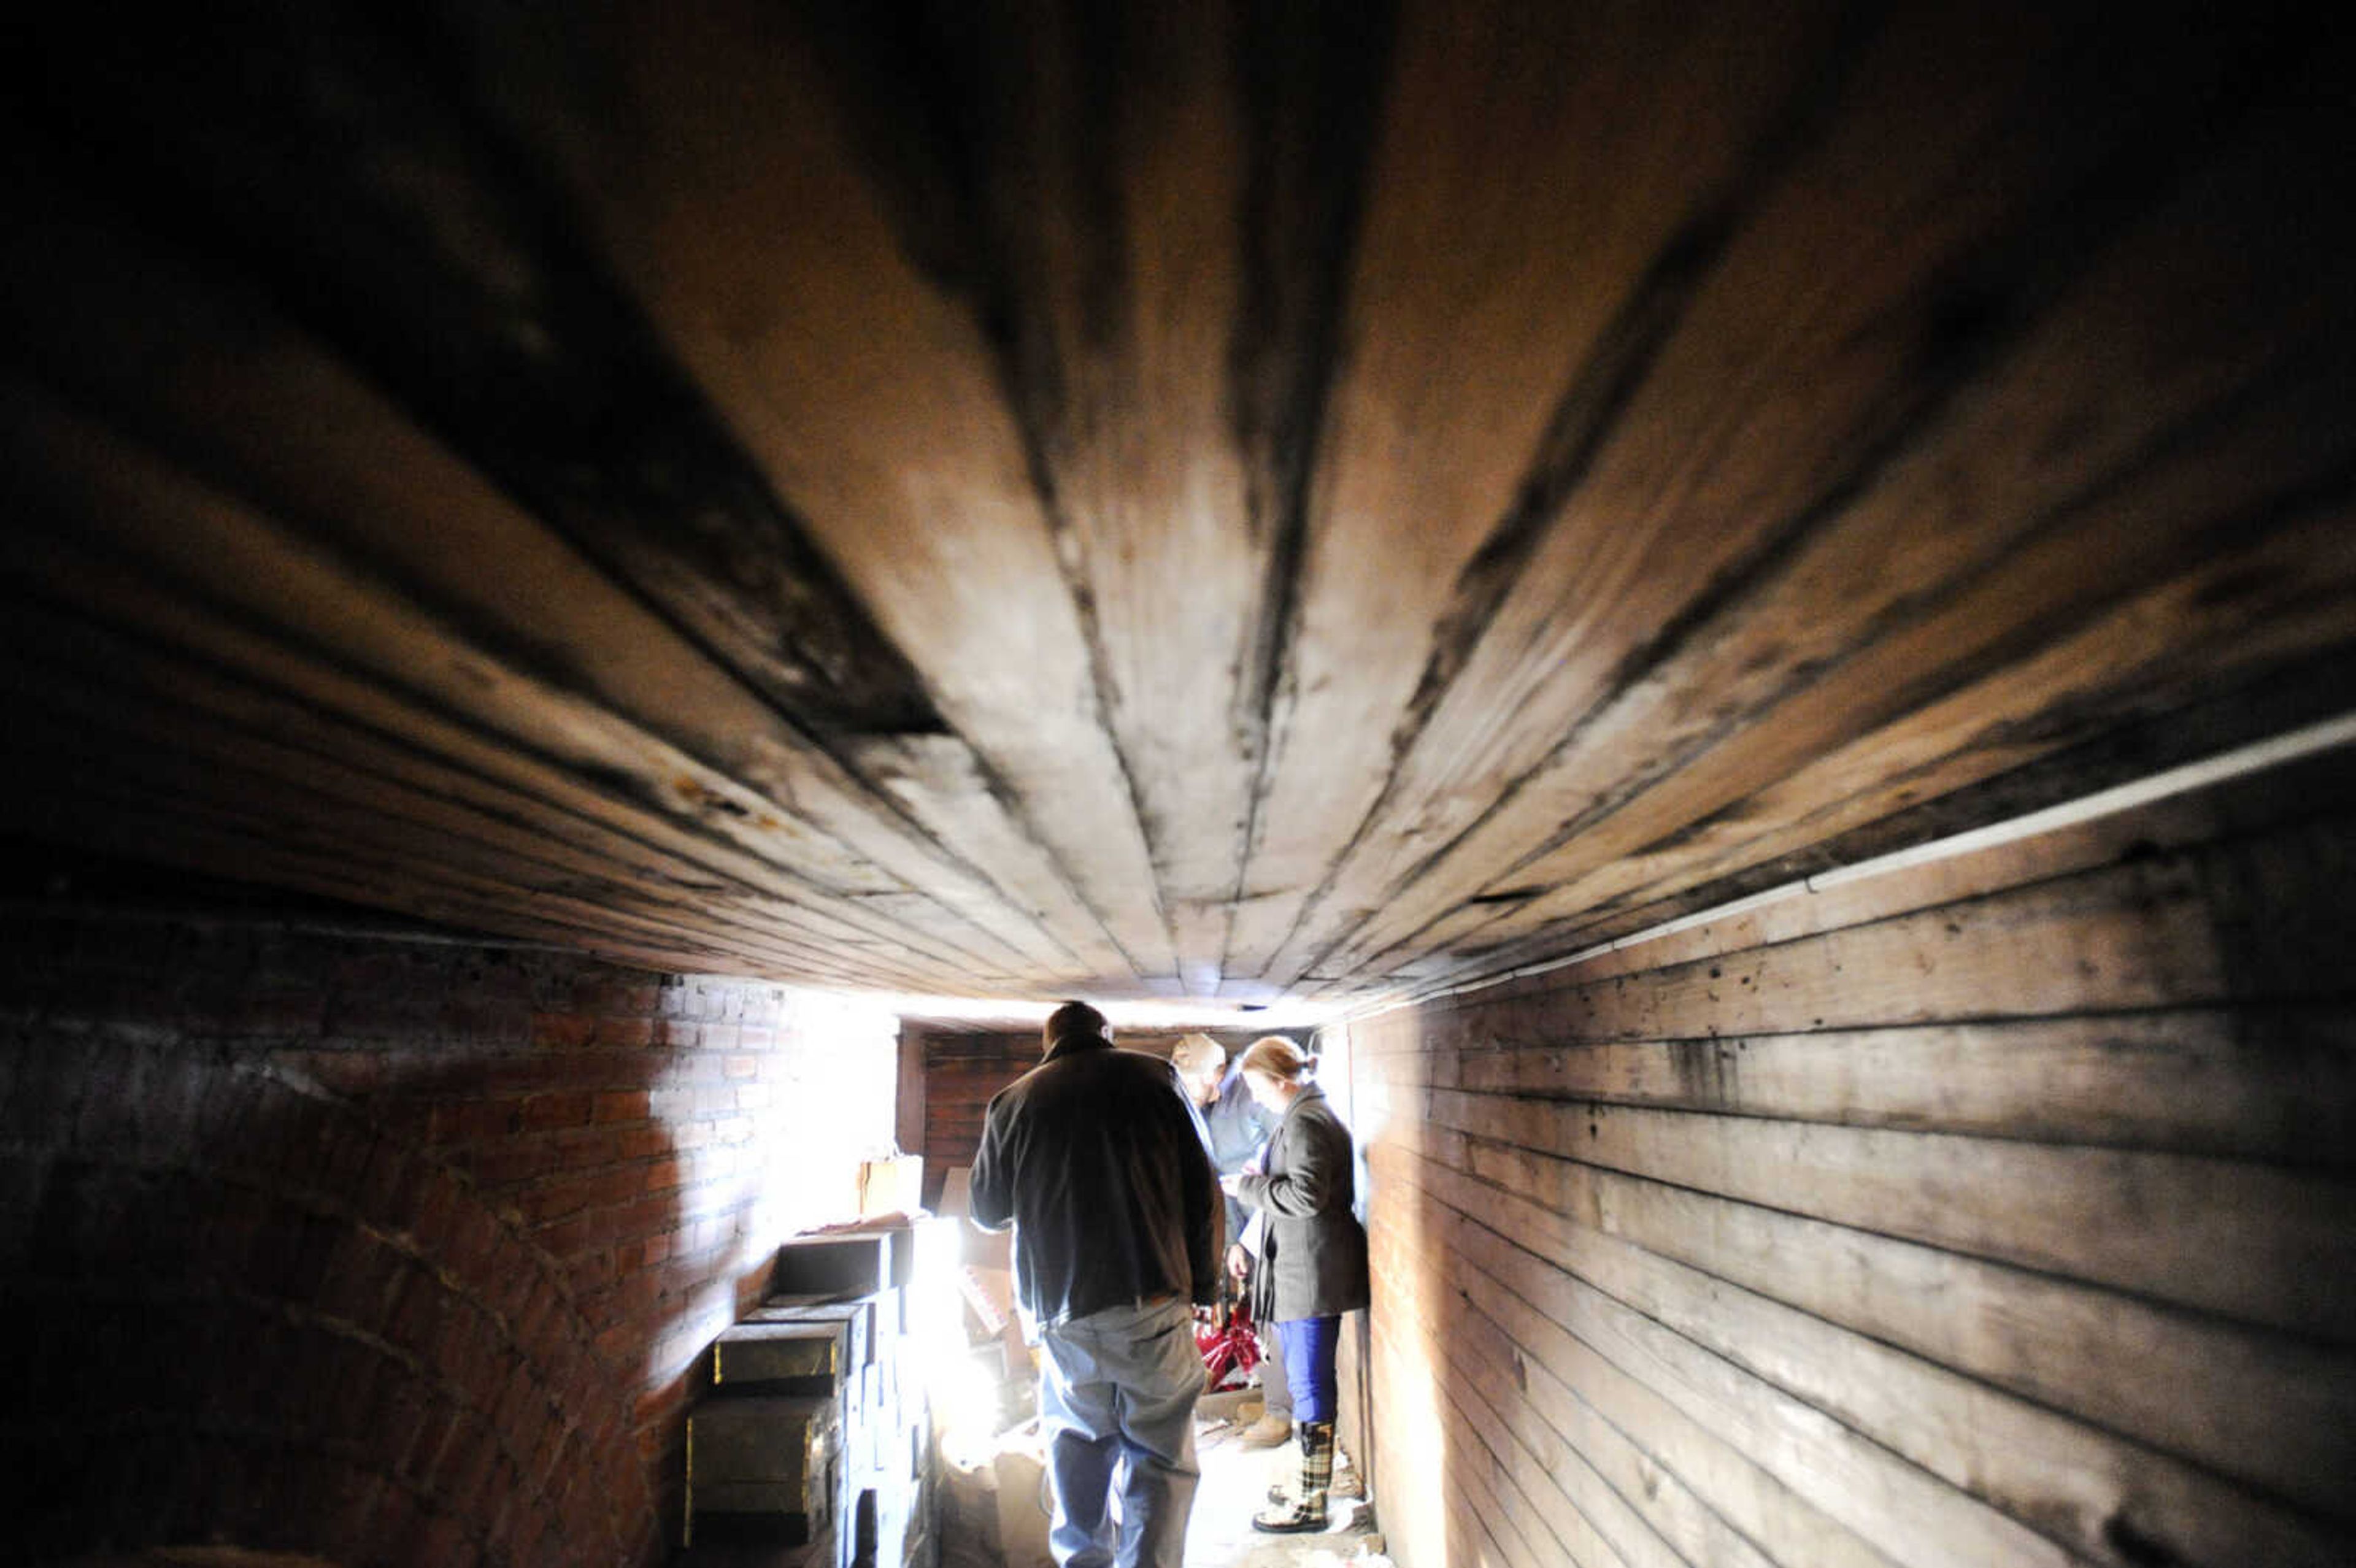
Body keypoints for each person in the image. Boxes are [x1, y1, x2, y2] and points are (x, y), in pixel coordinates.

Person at [969, 1002, 1222, 1568]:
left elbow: (986, 1211)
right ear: (1106, 1035)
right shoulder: (1158, 1079)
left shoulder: (1013, 1101)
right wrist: (1206, 1288)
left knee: (1078, 1449)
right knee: (1159, 1459)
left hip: (1064, 1309)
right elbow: (1203, 1190)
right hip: (1153, 1295)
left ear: (1048, 1042)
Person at [1222, 1036, 1370, 1534]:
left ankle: (1313, 1505)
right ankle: (1312, 1489)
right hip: (1304, 1268)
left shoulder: (1306, 1120)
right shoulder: (1305, 1115)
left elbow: (1306, 1196)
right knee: (1308, 1382)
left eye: (1257, 1087)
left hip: (1310, 1270)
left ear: (1280, 1080)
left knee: (1309, 1385)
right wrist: (1261, 1176)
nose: (1255, 1097)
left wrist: (1246, 1187)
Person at [1169, 1033, 1292, 1449]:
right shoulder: (1201, 1107)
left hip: (1272, 1232)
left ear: (1219, 1074)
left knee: (1275, 1319)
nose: (1196, 1095)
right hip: (1241, 1239)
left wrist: (1249, 1240)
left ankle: (1282, 1415)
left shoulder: (1252, 1098)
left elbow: (1280, 1170)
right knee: (1259, 1320)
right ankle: (1275, 1403)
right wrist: (1228, 1246)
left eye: (1200, 1085)